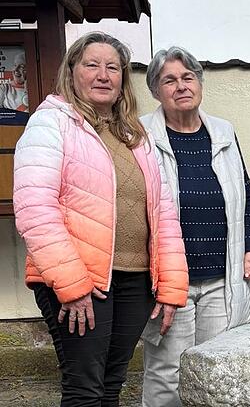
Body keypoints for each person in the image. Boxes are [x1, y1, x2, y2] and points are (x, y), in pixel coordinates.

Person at [13, 32, 188, 407]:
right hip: (81, 281)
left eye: (113, 67)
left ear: (123, 78)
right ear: (72, 71)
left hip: (135, 281)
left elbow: (164, 213)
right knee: (85, 388)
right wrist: (72, 286)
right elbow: (35, 208)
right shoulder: (51, 124)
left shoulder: (134, 135)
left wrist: (172, 286)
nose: (103, 74)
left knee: (112, 384)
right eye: (92, 64)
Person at [140, 46, 250, 407]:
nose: (181, 86)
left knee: (216, 370)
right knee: (168, 371)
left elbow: (246, 195)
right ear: (156, 91)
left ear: (200, 83)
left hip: (221, 278)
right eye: (169, 80)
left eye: (188, 77)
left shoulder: (223, 132)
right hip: (169, 281)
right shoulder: (142, 136)